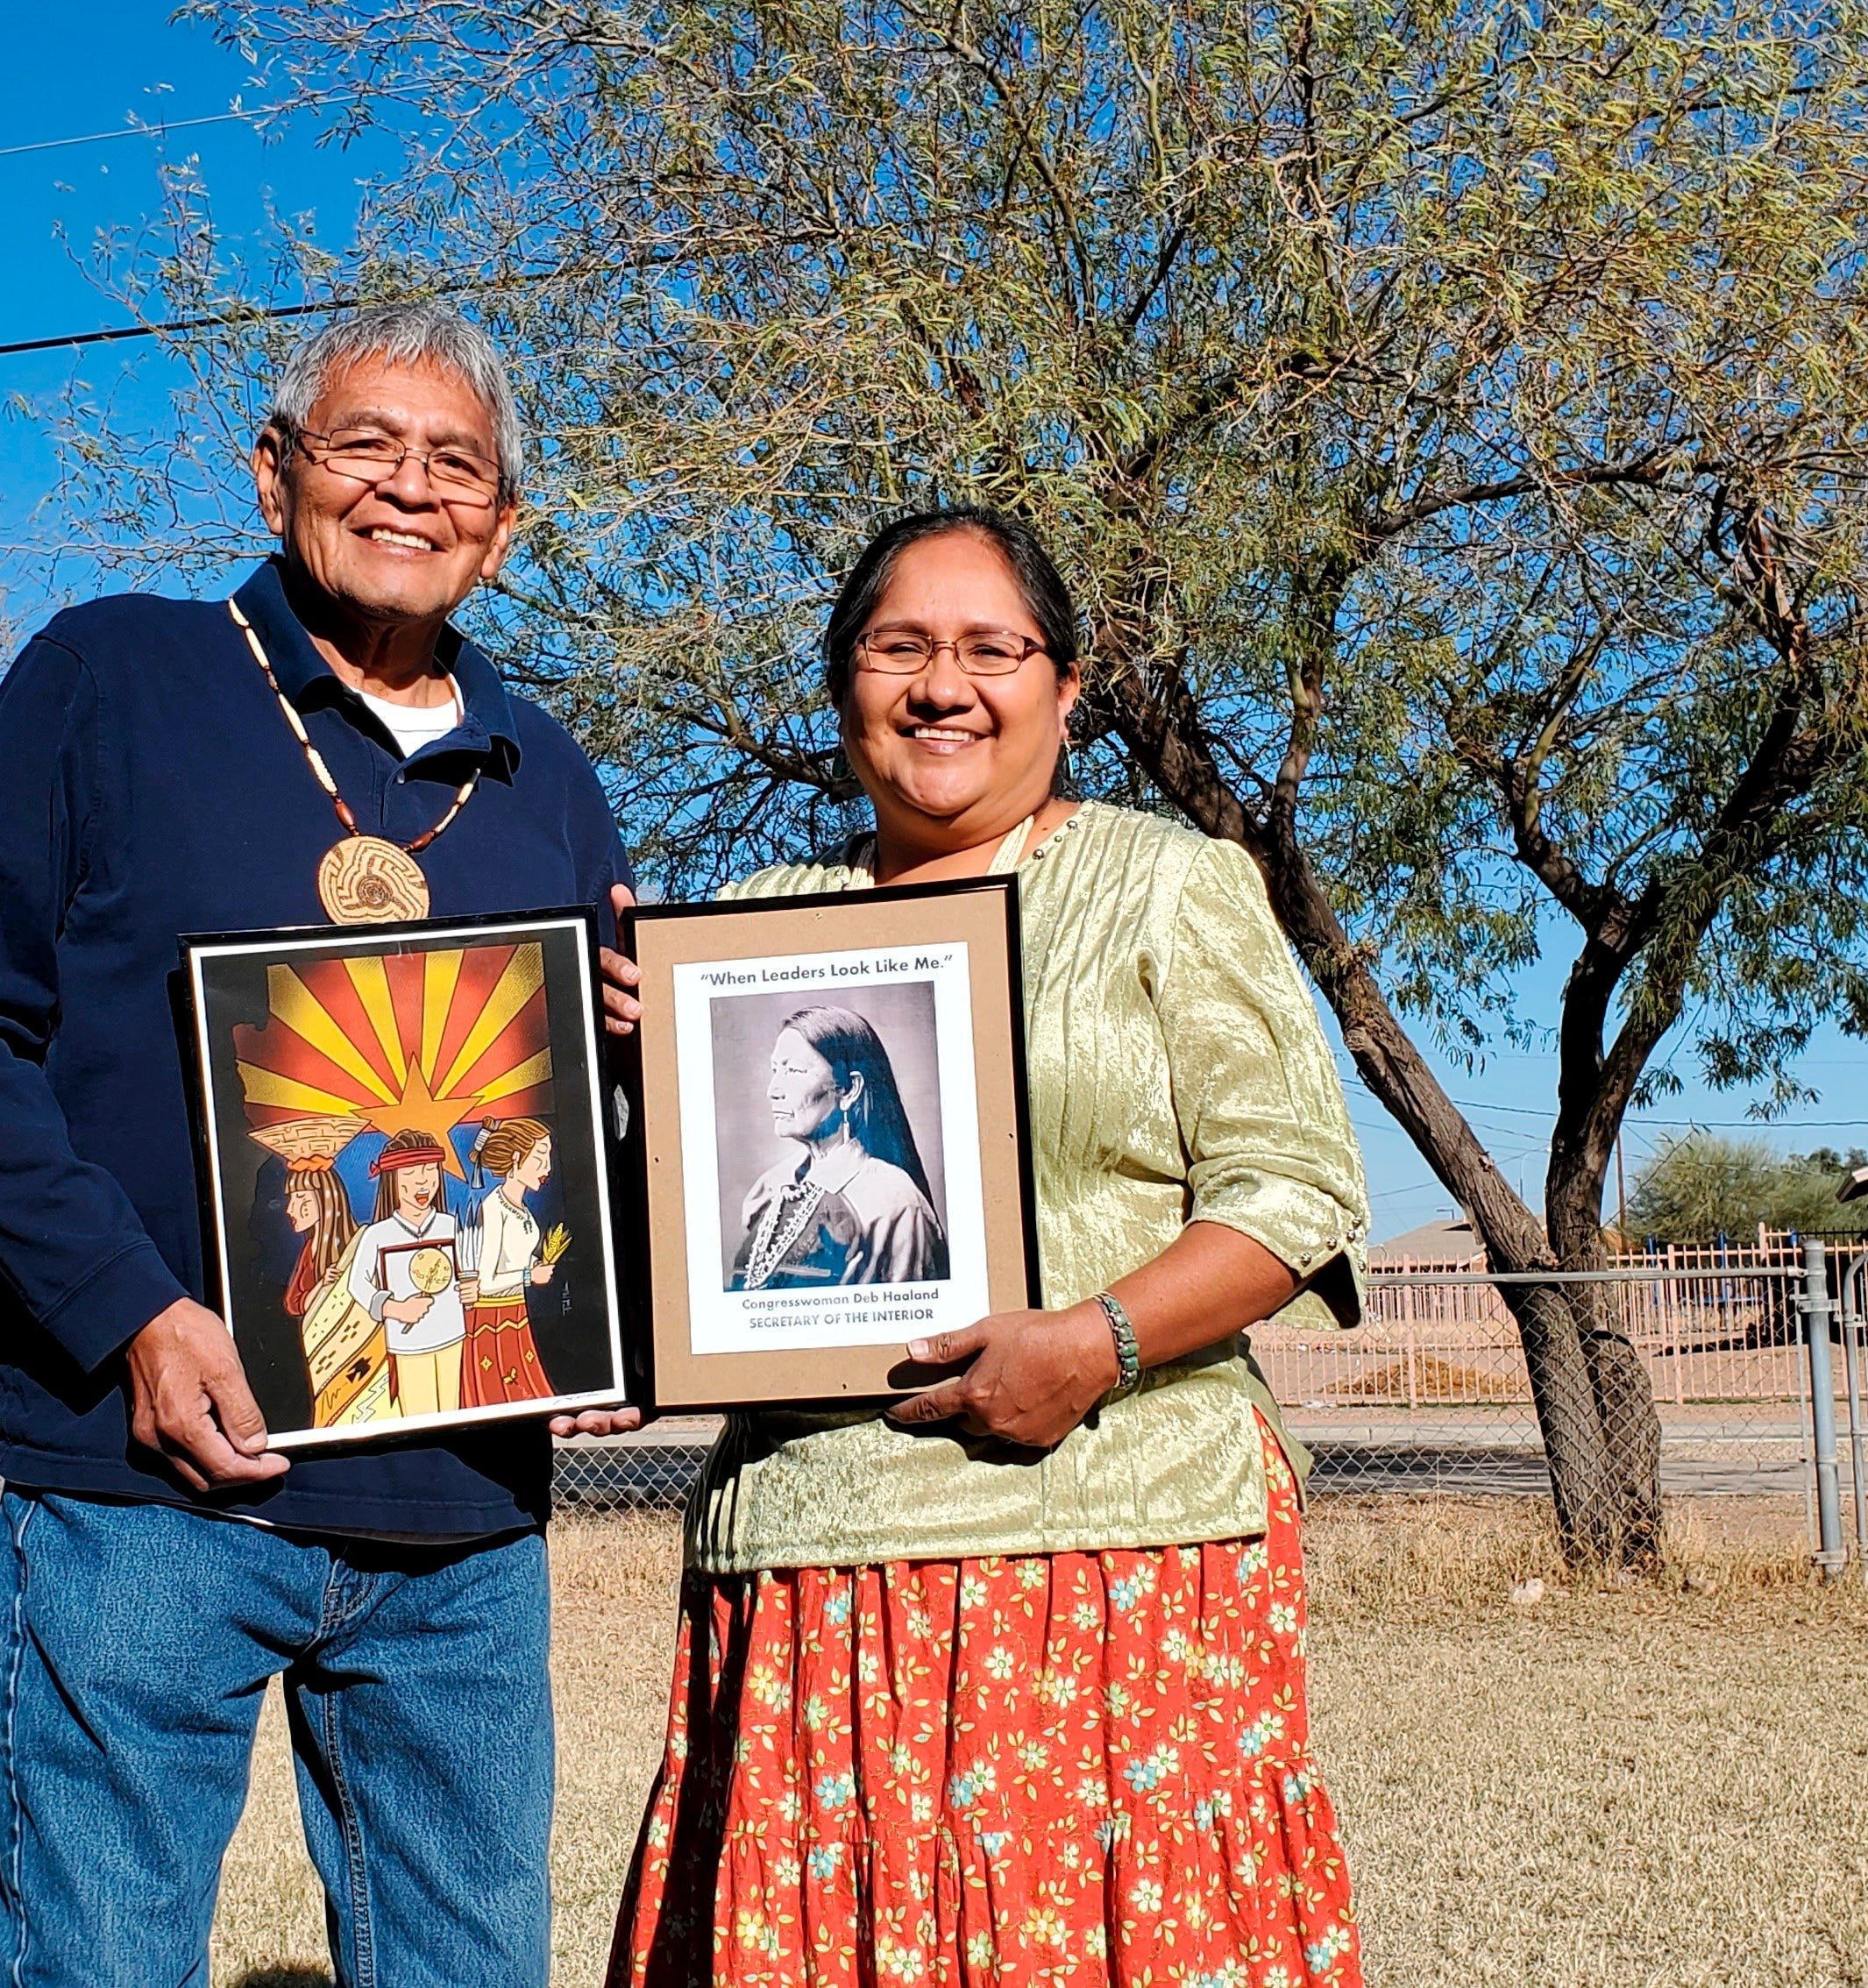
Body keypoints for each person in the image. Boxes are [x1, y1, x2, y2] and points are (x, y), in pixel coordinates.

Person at [0, 298, 643, 1988]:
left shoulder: (554, 780)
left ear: (506, 524)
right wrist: (134, 1314)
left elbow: (572, 1142)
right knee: (95, 1961)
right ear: (275, 470)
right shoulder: (112, 679)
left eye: (459, 465)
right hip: (150, 1489)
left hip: (465, 1523)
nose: (411, 491)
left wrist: (624, 1266)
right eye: (367, 446)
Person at [607, 505, 1374, 1988]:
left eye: (989, 648)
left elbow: (1290, 1192)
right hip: (817, 1560)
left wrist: (1096, 1342)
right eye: (899, 647)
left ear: (1065, 685)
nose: (942, 684)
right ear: (841, 684)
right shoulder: (757, 924)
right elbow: (680, 1252)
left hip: (1117, 1545)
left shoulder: (1170, 883)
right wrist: (617, 1069)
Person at [725, 1005, 947, 1290]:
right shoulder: (770, 1187)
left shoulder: (895, 1204)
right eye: (775, 1070)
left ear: (849, 1090)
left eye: (793, 1071)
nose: (773, 1090)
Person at [348, 1132, 467, 1418]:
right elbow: (357, 1284)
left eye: (429, 1171)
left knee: (455, 1412)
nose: (422, 1181)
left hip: (454, 1335)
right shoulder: (378, 1234)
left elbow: (469, 1271)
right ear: (392, 1180)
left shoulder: (450, 1226)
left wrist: (470, 1291)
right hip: (409, 1345)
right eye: (410, 1173)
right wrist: (395, 1308)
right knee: (421, 1417)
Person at [457, 1117, 560, 1407]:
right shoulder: (493, 1209)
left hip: (517, 1316)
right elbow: (486, 1282)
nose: (548, 1168)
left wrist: (535, 1264)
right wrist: (530, 1276)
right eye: (540, 1158)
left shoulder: (521, 1209)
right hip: (493, 1324)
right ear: (516, 1159)